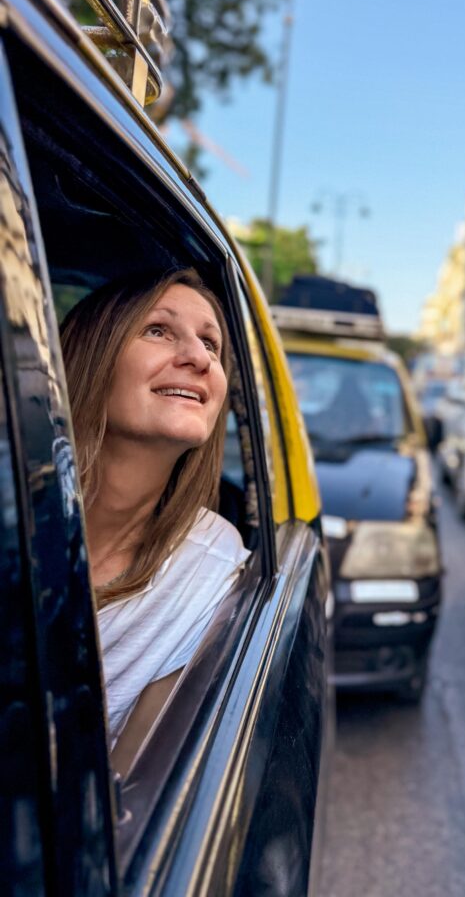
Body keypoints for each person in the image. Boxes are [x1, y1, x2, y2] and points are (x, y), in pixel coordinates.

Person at [60, 268, 250, 740]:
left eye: (211, 344)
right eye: (158, 330)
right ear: (90, 356)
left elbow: (131, 798)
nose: (198, 359)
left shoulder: (212, 563)